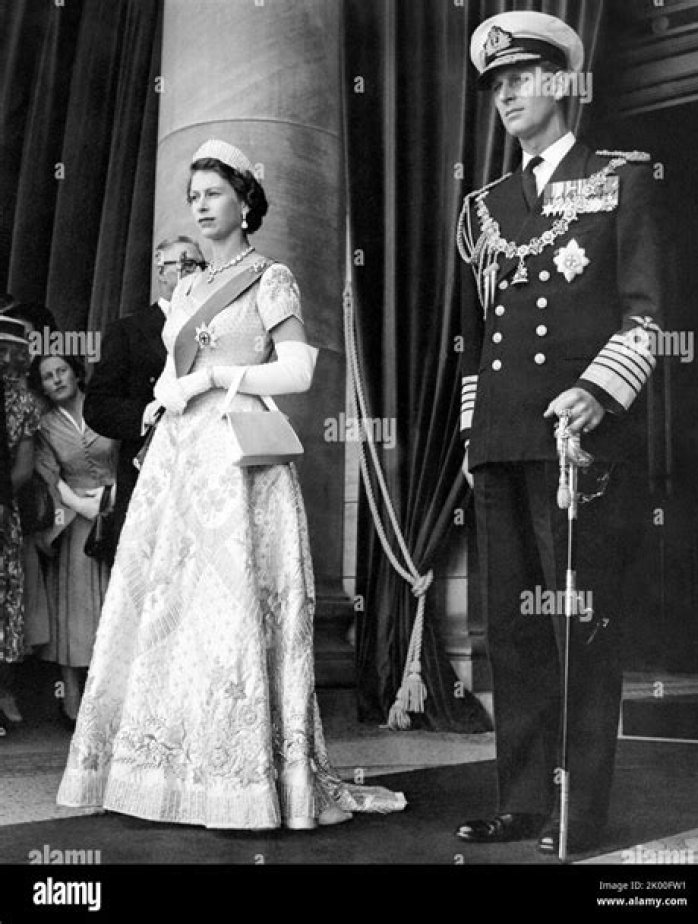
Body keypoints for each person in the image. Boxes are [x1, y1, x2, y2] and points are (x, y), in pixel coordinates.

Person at [58, 138, 406, 829]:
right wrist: (161, 399)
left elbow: (301, 371)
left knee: (235, 607)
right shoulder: (183, 289)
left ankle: (243, 780)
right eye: (193, 196)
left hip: (241, 455)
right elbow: (165, 376)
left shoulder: (271, 277)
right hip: (180, 458)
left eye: (213, 193)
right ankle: (169, 772)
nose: (201, 205)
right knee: (172, 610)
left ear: (246, 201)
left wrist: (220, 376)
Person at [454, 11, 663, 855]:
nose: (505, 95)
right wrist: (474, 442)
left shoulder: (622, 177)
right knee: (512, 631)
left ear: (563, 84)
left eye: (520, 80)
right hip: (505, 442)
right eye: (496, 85)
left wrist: (596, 392)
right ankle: (523, 802)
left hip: (579, 443)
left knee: (581, 625)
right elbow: (475, 333)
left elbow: (646, 316)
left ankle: (581, 808)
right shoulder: (486, 206)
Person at [83, 237, 205, 556]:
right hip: (146, 473)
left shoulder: (214, 332)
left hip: (203, 473)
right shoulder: (128, 331)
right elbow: (97, 406)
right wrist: (146, 413)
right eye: (185, 265)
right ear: (161, 273)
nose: (195, 274)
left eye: (201, 266)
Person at [28, 354, 117, 727]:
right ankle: (74, 702)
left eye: (61, 371)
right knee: (76, 615)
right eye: (48, 377)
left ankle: (117, 703)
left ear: (76, 373)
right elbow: (50, 477)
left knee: (119, 606)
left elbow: (131, 455)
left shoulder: (103, 409)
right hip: (78, 522)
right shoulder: (46, 426)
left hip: (119, 514)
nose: (56, 379)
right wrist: (82, 505)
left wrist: (111, 499)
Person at [0, 316, 40, 731]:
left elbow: (25, 470)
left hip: (3, 510)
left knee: (6, 602)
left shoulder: (23, 402)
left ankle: (5, 690)